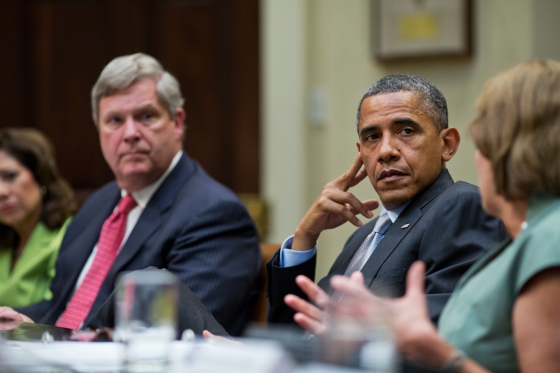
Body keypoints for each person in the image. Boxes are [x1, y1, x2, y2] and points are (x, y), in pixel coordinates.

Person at [0, 53, 261, 336]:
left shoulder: (215, 214)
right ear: (99, 130)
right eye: (114, 120)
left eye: (146, 116)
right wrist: (17, 320)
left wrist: (41, 336)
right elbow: (60, 305)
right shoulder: (98, 204)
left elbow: (169, 331)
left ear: (177, 122)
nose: (130, 133)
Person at [328, 60, 560, 372]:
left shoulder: (548, 240)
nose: (478, 160)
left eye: (484, 144)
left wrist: (443, 356)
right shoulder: (533, 238)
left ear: (512, 155)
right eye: (371, 138)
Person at [267, 74, 507, 331]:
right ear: (361, 152)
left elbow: (441, 331)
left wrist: (342, 338)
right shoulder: (362, 237)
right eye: (372, 137)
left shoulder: (462, 206)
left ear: (447, 144)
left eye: (406, 131)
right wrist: (305, 236)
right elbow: (288, 335)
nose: (385, 151)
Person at [0, 128, 76, 308]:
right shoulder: (5, 239)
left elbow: (62, 310)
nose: (1, 192)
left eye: (10, 176)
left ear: (41, 177)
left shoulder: (69, 236)